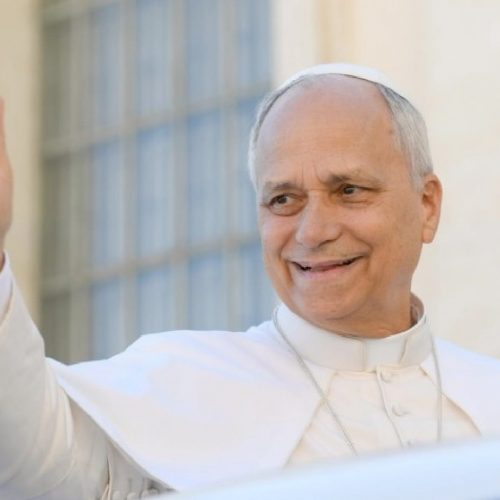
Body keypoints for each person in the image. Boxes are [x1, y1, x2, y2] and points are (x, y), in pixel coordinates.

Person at [1, 63, 500, 500]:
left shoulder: (488, 393)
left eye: (349, 190)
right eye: (283, 200)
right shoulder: (188, 385)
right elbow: (34, 462)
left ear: (426, 206)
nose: (313, 231)